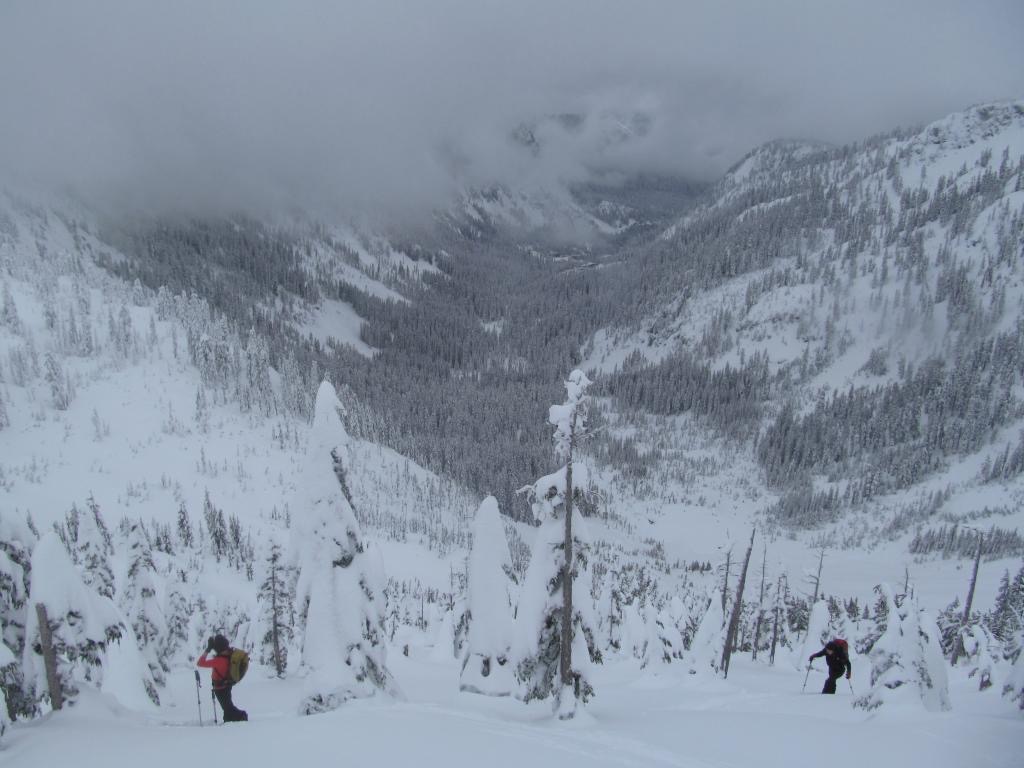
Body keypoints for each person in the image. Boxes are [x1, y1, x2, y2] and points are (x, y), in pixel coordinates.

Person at [197, 634, 248, 722]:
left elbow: (200, 663)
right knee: (227, 707)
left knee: (228, 708)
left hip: (221, 688)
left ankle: (240, 717)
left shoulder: (219, 660)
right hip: (226, 686)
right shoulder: (229, 654)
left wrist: (208, 649)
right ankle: (229, 721)